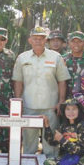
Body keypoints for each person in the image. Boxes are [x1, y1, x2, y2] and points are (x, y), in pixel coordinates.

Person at [12, 26, 71, 156]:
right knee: (29, 141)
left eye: (41, 38)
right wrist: (18, 102)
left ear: (46, 40)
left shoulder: (56, 57)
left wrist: (61, 101)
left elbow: (62, 81)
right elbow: (18, 81)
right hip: (29, 106)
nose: (38, 41)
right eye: (35, 38)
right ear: (30, 40)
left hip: (50, 106)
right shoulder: (22, 58)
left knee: (50, 142)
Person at [63, 31, 84, 98]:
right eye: (73, 41)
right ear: (69, 43)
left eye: (79, 41)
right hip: (67, 96)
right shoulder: (62, 58)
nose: (76, 44)